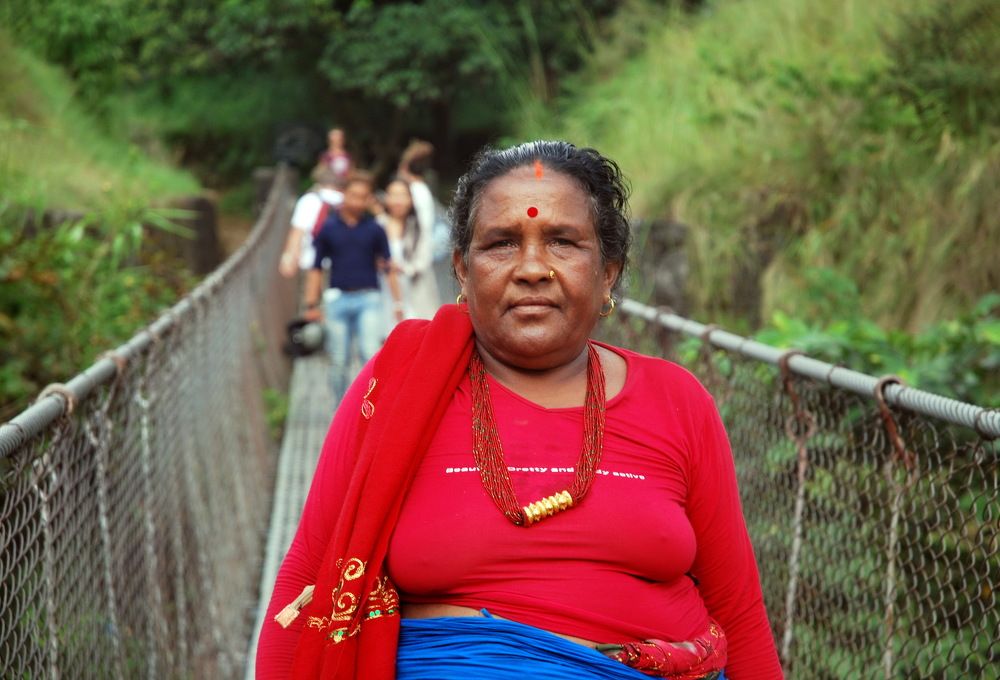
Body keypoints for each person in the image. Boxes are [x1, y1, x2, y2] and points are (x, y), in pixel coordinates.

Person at [257, 141, 782, 679]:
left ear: (608, 273)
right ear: (462, 271)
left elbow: (738, 609)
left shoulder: (678, 400)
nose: (533, 268)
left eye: (563, 241)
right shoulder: (396, 391)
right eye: (502, 243)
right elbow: (306, 580)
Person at [302, 170, 403, 398]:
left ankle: (371, 410)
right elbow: (316, 267)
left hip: (369, 298)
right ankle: (340, 412)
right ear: (344, 194)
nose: (357, 201)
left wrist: (397, 303)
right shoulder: (328, 228)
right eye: (353, 195)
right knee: (338, 360)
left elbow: (388, 266)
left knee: (371, 356)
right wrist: (311, 303)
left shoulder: (375, 229)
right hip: (338, 299)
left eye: (363, 196)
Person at [376, 178, 441, 320]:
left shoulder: (418, 227)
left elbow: (423, 260)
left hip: (415, 289)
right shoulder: (378, 225)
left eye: (403, 195)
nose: (398, 200)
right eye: (393, 195)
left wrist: (402, 268)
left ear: (411, 199)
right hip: (384, 290)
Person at [279, 166, 344, 279]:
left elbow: (298, 233)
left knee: (310, 296)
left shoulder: (308, 200)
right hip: (341, 263)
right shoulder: (347, 200)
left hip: (311, 261)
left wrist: (289, 258)